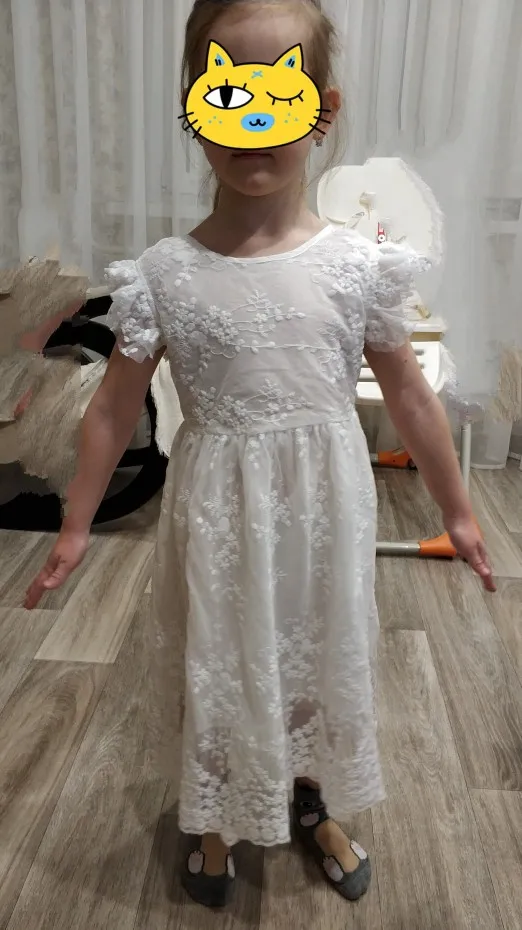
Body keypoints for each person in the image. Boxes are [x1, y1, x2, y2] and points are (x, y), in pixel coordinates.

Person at [24, 0, 495, 910]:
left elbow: (409, 395)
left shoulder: (356, 267)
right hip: (217, 512)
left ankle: (311, 796)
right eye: (228, 95)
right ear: (196, 110)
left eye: (277, 96)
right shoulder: (165, 273)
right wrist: (75, 524)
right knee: (224, 655)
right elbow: (113, 410)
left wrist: (460, 512)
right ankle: (215, 813)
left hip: (324, 510)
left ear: (322, 110)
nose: (253, 124)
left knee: (317, 653)